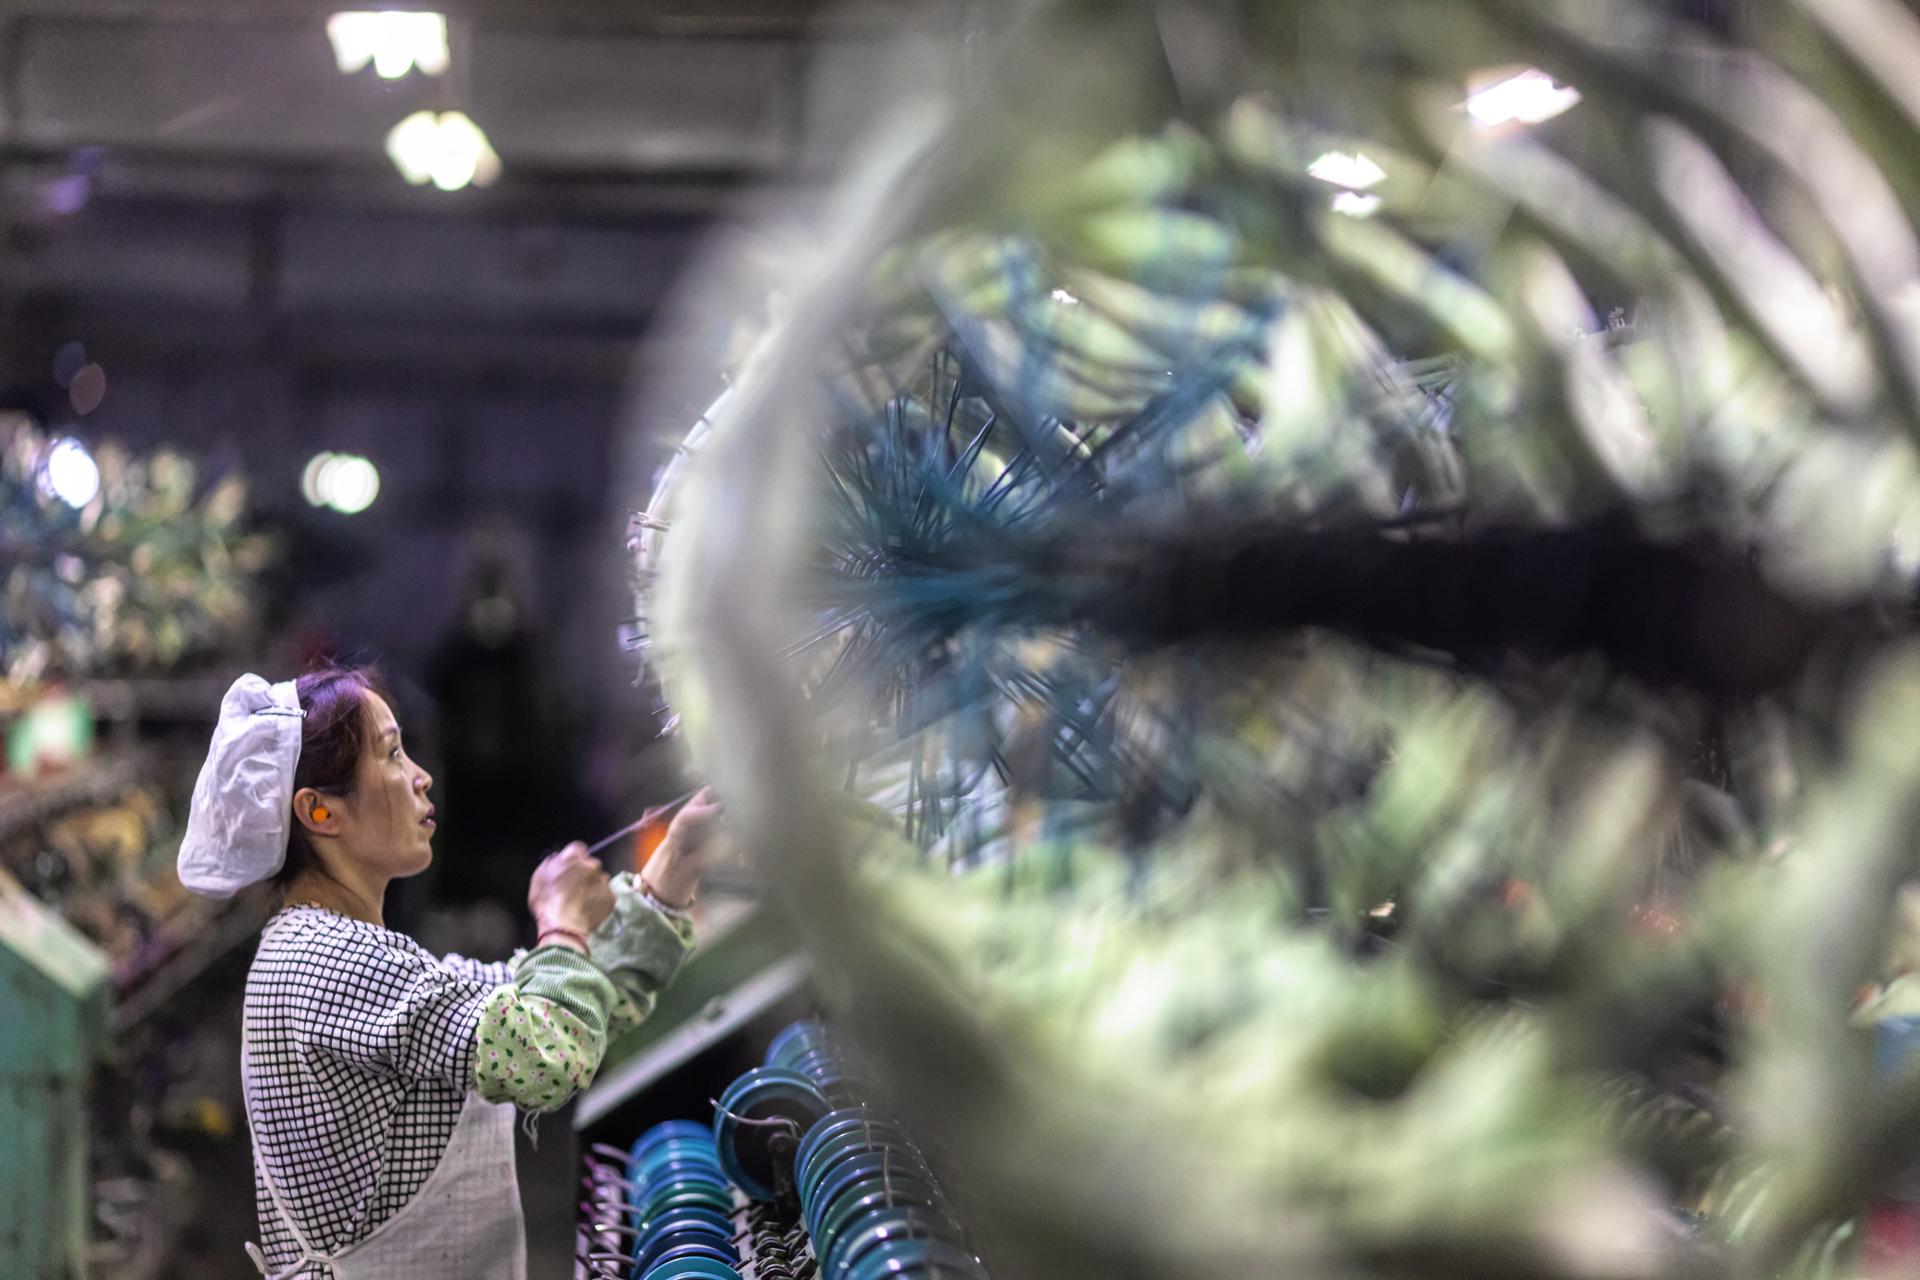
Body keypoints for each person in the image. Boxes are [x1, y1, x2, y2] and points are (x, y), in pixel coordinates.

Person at [176, 667, 723, 1280]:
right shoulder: (329, 960)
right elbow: (546, 1056)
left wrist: (675, 862)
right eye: (390, 755)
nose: (421, 776)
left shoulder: (345, 949)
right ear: (321, 813)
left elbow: (551, 1003)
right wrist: (562, 923)